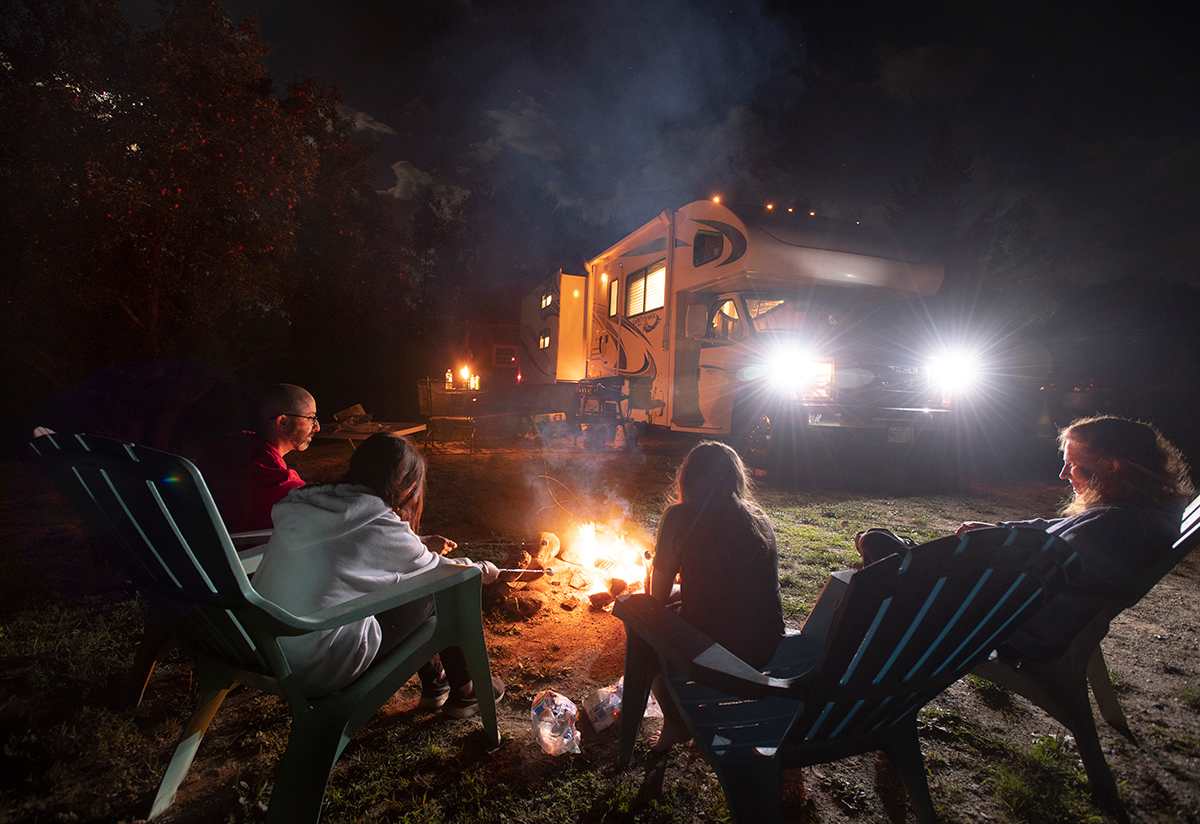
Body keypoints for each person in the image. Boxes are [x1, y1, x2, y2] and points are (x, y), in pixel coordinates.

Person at [856, 415, 1193, 658]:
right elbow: (1046, 530)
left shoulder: (1115, 526)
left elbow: (1033, 566)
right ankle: (905, 561)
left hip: (1011, 623)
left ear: (1112, 466)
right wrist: (1001, 531)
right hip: (1020, 609)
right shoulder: (1138, 512)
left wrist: (981, 549)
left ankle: (842, 670)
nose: (1063, 475)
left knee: (876, 555)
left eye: (1072, 465)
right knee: (883, 545)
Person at [251, 433, 503, 715]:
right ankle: (468, 690)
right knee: (445, 590)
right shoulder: (377, 521)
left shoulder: (309, 503)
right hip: (320, 663)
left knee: (412, 583)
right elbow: (446, 573)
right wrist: (483, 570)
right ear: (407, 485)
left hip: (271, 649)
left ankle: (437, 684)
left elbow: (365, 553)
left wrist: (414, 546)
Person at [649, 440, 785, 749]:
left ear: (688, 478)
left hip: (713, 651)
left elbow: (656, 598)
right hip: (765, 646)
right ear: (736, 478)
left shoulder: (679, 518)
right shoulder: (758, 520)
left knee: (642, 624)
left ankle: (675, 720)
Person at [203, 383, 319, 532]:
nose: (317, 427)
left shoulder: (239, 445)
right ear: (282, 422)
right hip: (250, 550)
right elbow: (318, 506)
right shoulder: (269, 474)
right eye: (311, 418)